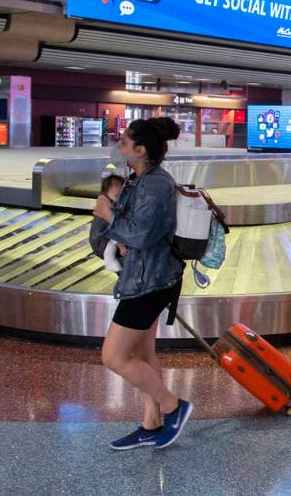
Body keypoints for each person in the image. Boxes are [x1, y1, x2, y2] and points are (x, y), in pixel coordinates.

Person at [92, 117, 192, 450]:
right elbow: (131, 232)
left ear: (141, 149)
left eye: (123, 141)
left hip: (150, 282)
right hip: (142, 276)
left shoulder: (155, 184)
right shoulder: (138, 179)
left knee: (114, 356)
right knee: (142, 353)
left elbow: (141, 234)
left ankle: (173, 407)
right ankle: (151, 424)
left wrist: (108, 215)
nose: (118, 145)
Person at [89, 174, 126, 273]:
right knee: (110, 245)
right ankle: (110, 261)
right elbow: (111, 230)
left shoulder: (107, 204)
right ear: (105, 194)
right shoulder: (108, 208)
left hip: (104, 237)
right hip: (101, 240)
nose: (120, 199)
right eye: (117, 196)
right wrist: (121, 245)